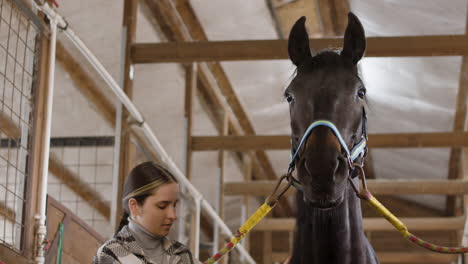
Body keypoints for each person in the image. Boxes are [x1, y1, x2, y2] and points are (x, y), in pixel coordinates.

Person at [93, 161, 201, 264]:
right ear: (134, 206)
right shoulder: (110, 255)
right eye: (162, 206)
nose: (173, 215)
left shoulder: (182, 252)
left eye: (174, 205)